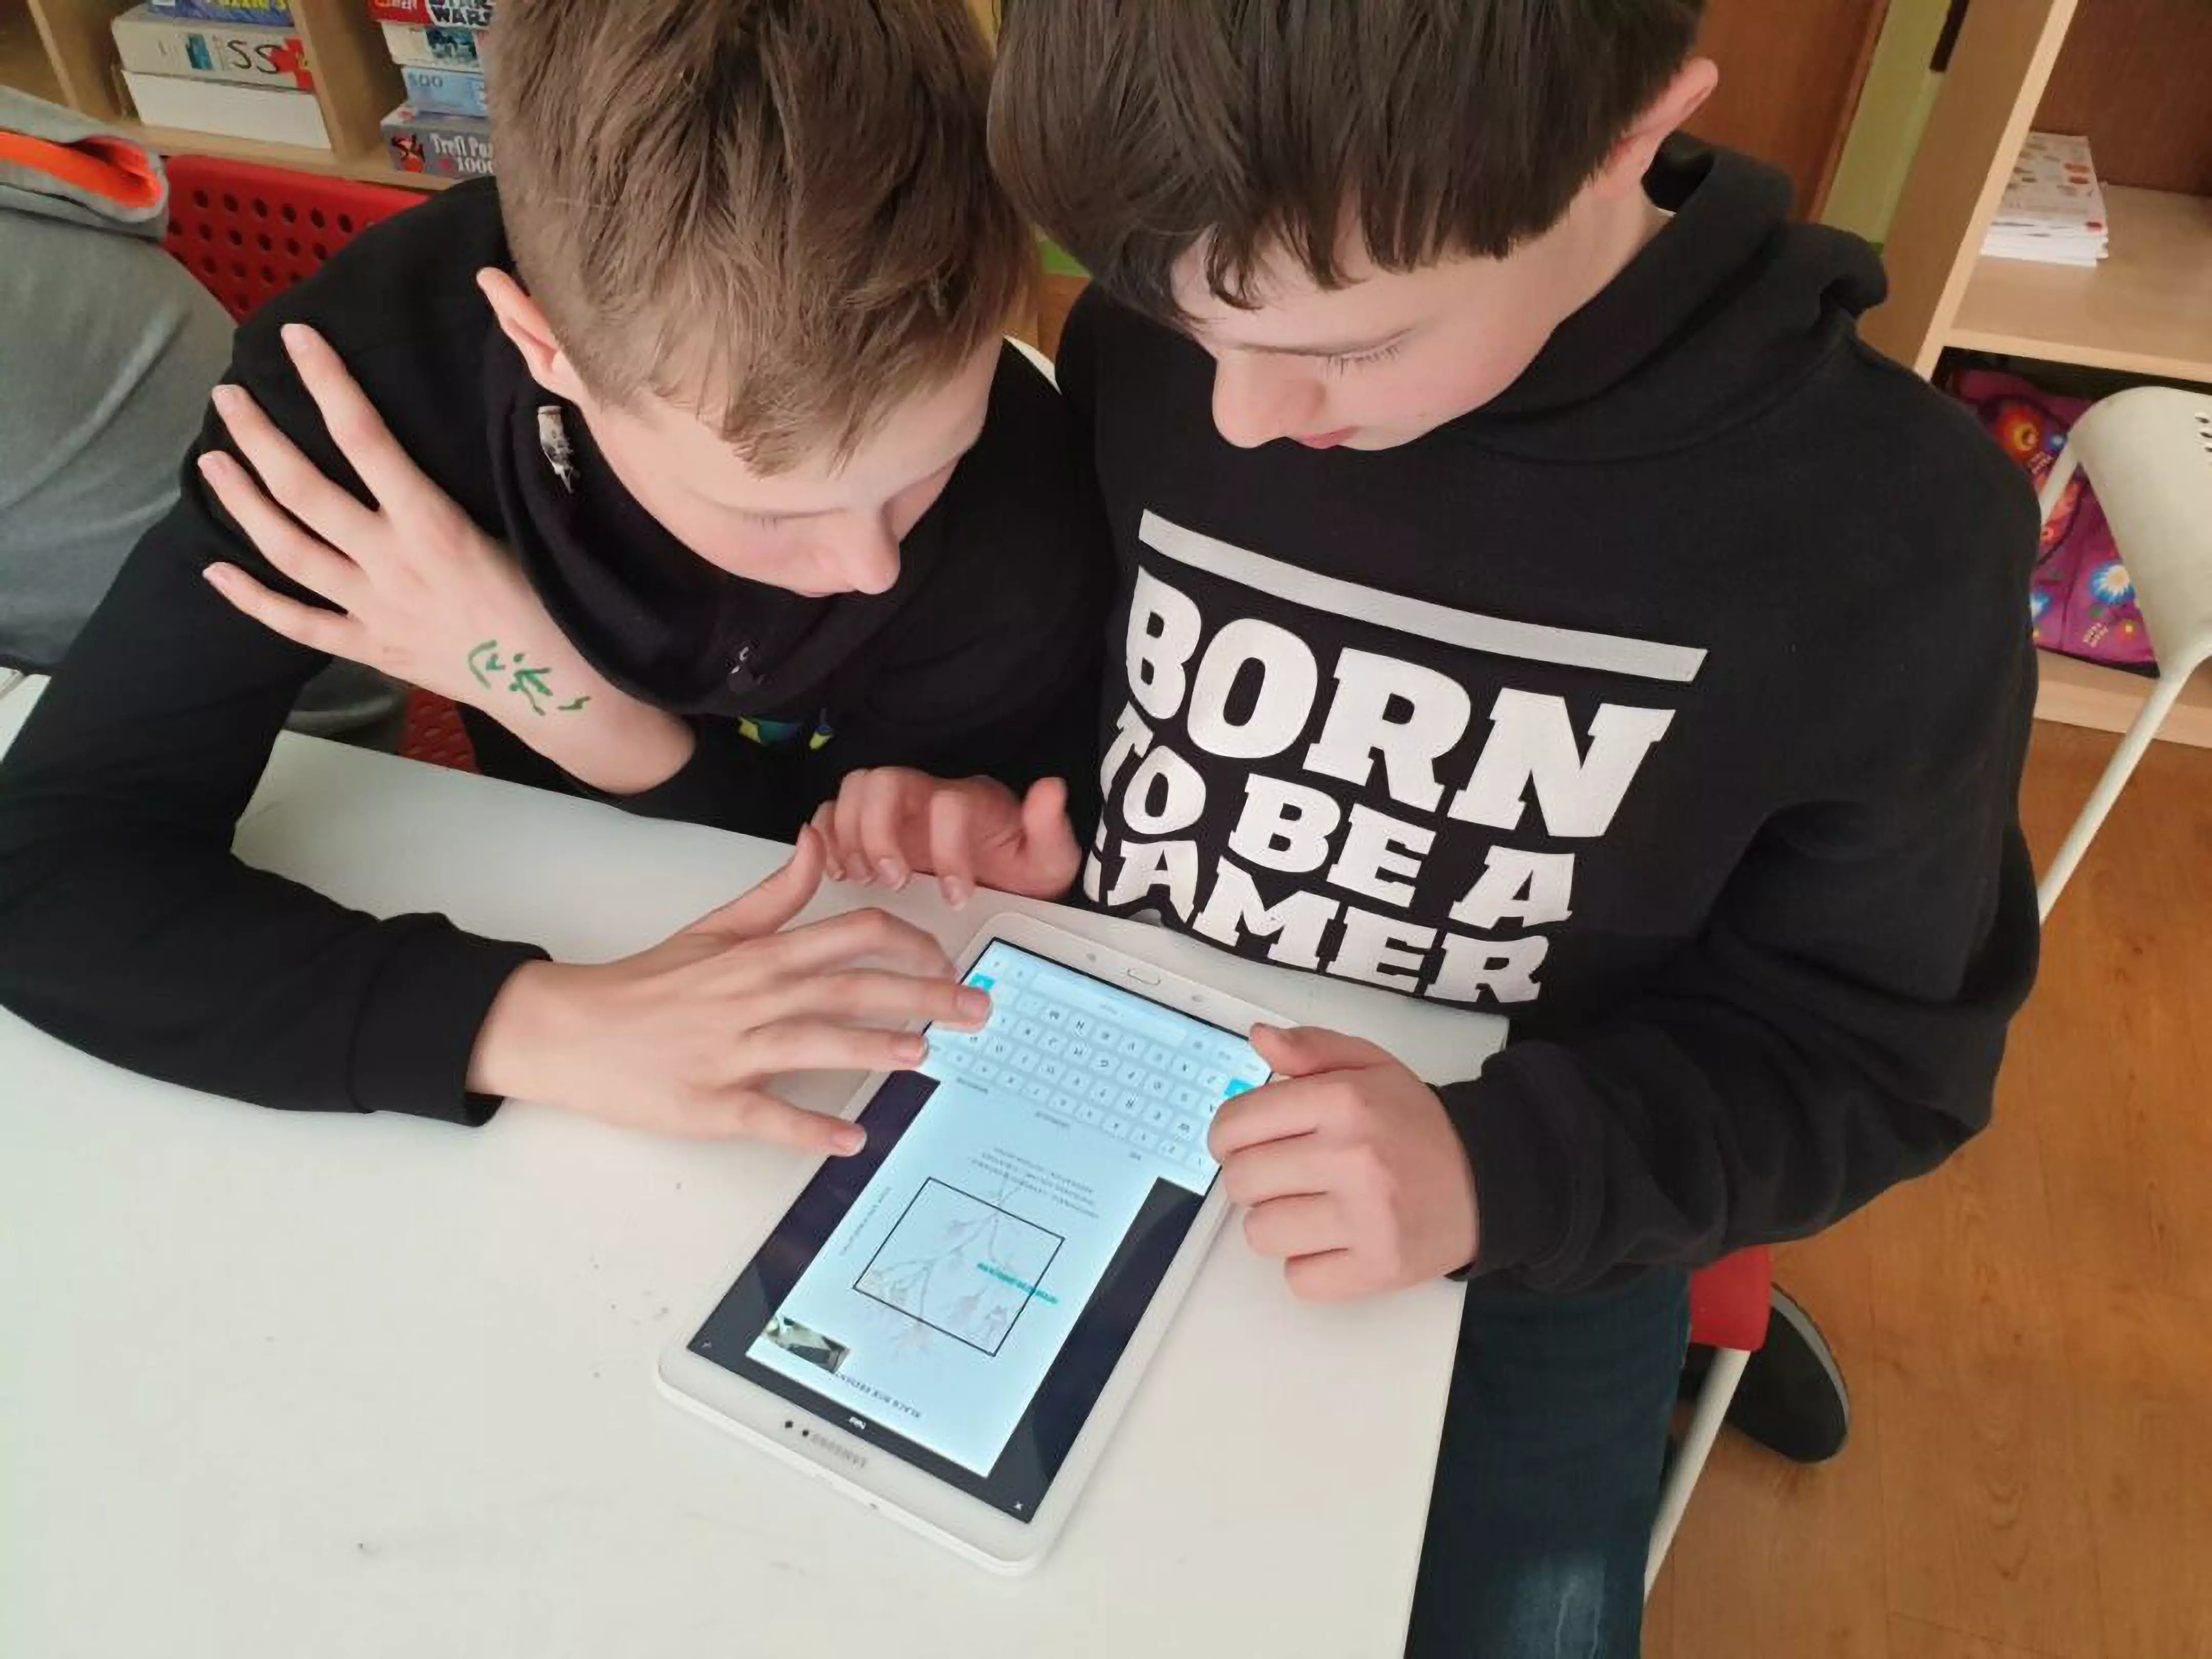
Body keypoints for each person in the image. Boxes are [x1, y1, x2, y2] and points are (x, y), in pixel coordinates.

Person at [810, 1, 2041, 1651]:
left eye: (1356, 343)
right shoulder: (1189, 319)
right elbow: (1104, 667)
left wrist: (1491, 1174)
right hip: (1112, 1084)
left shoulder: (1888, 539)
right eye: (1178, 320)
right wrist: (1026, 799)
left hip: (1535, 1209)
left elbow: (1876, 1058)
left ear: (1624, 139)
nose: (1239, 414)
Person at [0, 0, 1111, 1156]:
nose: (868, 565)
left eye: (928, 465)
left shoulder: (1021, 500)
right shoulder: (364, 400)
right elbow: (48, 870)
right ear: (548, 350)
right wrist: (540, 1023)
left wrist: (570, 700)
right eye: (769, 511)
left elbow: (1006, 858)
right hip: (551, 979)